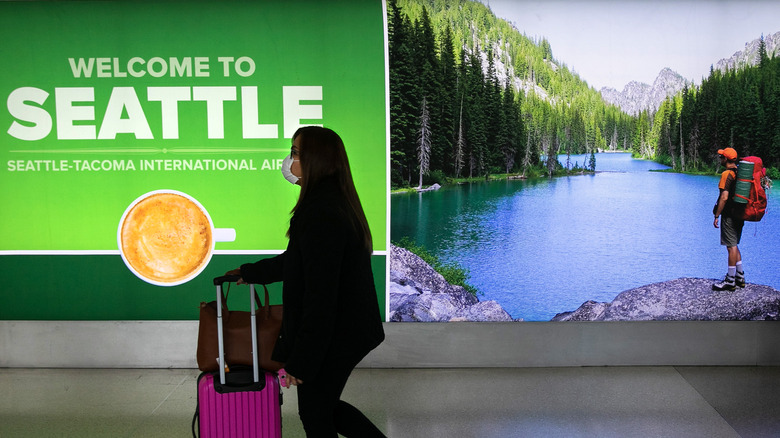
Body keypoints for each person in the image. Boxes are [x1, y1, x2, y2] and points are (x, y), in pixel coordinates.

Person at [226, 126, 386, 437]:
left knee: (315, 413)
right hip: (346, 328)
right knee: (322, 407)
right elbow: (298, 261)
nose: (289, 161)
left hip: (339, 332)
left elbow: (320, 297)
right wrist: (252, 273)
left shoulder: (320, 213)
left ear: (317, 161)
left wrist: (301, 361)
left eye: (296, 153)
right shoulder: (329, 202)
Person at [712, 147, 745, 291]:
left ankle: (730, 281)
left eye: (721, 157)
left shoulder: (727, 174)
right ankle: (740, 277)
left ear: (726, 159)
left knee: (730, 247)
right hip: (740, 214)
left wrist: (717, 215)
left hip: (729, 215)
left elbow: (724, 197)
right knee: (734, 245)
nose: (720, 159)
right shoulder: (740, 173)